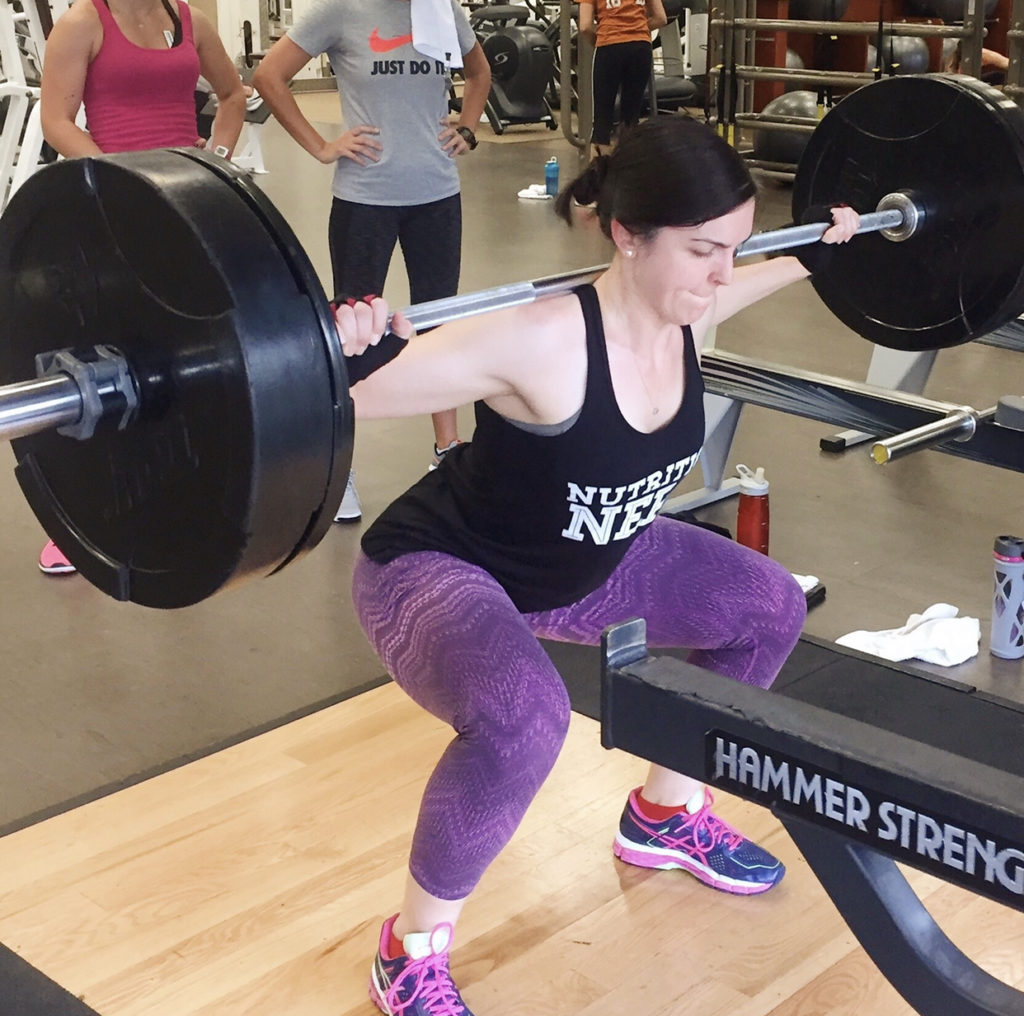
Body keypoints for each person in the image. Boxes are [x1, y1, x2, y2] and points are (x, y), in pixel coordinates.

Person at [332, 115, 859, 1015]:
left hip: (591, 561)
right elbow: (360, 392)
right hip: (443, 568)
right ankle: (410, 946)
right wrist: (355, 338)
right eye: (703, 250)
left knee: (767, 606)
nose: (724, 272)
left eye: (736, 246)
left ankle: (664, 815)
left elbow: (763, 274)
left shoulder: (688, 308)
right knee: (525, 718)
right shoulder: (538, 339)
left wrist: (833, 242)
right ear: (625, 234)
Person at [252, 0, 491, 524]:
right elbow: (269, 75)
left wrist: (468, 128)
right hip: (366, 199)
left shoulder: (441, 8)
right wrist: (320, 145)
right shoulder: (340, 10)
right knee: (354, 333)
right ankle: (343, 468)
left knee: (437, 323)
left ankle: (446, 451)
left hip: (436, 194)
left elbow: (479, 71)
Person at [36, 0, 246, 575]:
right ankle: (84, 523)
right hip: (115, 209)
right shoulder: (83, 23)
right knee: (108, 369)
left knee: (187, 356)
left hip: (187, 206)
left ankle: (190, 494)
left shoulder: (191, 20)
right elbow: (56, 120)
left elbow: (234, 95)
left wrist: (218, 159)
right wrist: (118, 179)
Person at [578, 0, 669, 157]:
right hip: (640, 48)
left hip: (609, 46)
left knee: (602, 121)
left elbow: (585, 26)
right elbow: (661, 18)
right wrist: (636, 30)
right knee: (631, 119)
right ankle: (628, 169)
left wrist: (599, 40)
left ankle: (600, 173)